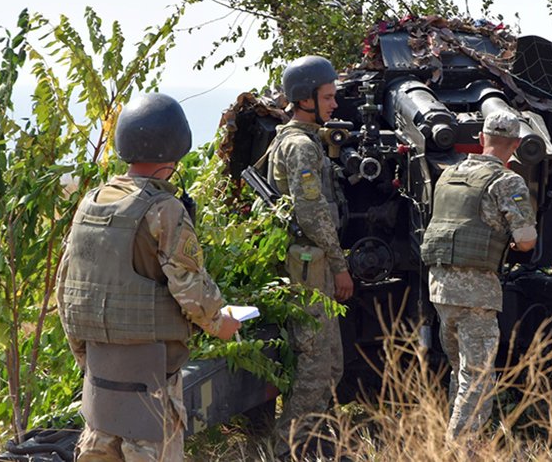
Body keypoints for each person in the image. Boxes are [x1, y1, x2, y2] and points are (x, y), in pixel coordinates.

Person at [56, 92, 241, 462]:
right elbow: (190, 287)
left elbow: (66, 289)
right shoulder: (164, 209)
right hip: (151, 383)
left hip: (100, 382)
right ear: (175, 148)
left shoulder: (90, 202)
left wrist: (86, 359)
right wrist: (221, 323)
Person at [420, 111, 537, 440]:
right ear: (515, 145)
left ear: (482, 138)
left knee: (461, 371)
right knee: (479, 379)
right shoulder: (507, 181)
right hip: (476, 292)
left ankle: (451, 439)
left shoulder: (449, 174)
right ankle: (459, 450)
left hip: (440, 287)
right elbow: (526, 239)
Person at [265, 55, 353, 456]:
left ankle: (317, 444)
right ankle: (286, 448)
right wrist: (339, 265)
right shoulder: (300, 146)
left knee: (330, 363)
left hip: (312, 262)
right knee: (316, 365)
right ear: (305, 99)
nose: (335, 104)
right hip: (311, 266)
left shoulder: (299, 139)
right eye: (328, 97)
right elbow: (313, 213)